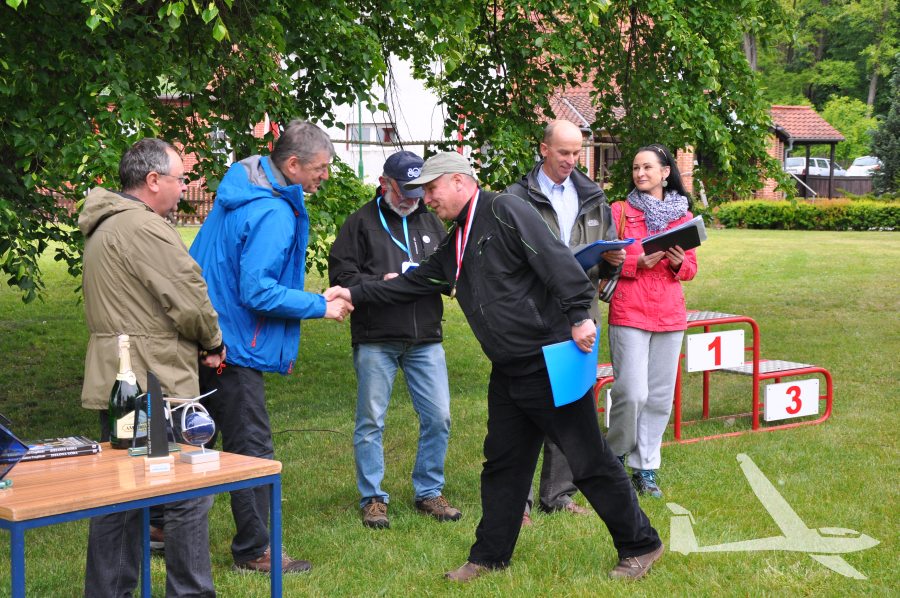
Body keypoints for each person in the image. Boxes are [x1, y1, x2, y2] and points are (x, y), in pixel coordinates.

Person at [332, 152, 664, 582]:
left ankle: (640, 544)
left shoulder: (505, 209)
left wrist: (580, 315)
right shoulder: (458, 236)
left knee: (589, 460)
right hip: (509, 368)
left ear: (458, 181)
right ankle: (489, 556)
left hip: (548, 359)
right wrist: (354, 294)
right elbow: (417, 282)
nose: (426, 199)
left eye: (431, 189)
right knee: (503, 466)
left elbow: (555, 259)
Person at [189, 120, 352, 574]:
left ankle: (161, 526)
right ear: (293, 165)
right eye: (320, 168)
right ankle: (255, 550)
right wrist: (319, 305)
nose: (324, 176)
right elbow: (257, 291)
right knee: (252, 450)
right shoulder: (274, 212)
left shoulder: (237, 193)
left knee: (193, 437)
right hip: (234, 347)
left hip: (206, 338)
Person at [79, 138, 226, 598]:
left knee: (120, 495)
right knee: (187, 492)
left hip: (117, 378)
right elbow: (189, 297)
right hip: (154, 379)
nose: (184, 188)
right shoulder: (144, 227)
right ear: (153, 179)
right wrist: (213, 341)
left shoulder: (104, 224)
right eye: (181, 179)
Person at [328, 151, 460, 529]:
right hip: (376, 336)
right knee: (371, 420)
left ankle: (429, 491)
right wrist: (381, 283)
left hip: (425, 337)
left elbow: (450, 269)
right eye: (405, 190)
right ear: (385, 183)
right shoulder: (359, 223)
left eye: (418, 190)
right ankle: (373, 498)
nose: (412, 199)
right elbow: (342, 279)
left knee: (439, 417)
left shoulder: (431, 221)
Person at [506, 119, 625, 524]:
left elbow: (606, 259)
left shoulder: (593, 196)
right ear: (544, 149)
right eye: (563, 152)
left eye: (577, 153)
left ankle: (557, 494)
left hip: (581, 314)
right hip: (532, 314)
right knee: (526, 407)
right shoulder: (515, 198)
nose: (571, 160)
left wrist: (612, 261)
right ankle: (517, 502)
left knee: (572, 401)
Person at [606, 143, 698, 498]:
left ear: (665, 172)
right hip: (629, 308)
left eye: (647, 167)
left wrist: (678, 262)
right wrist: (635, 263)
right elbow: (604, 259)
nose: (640, 173)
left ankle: (645, 468)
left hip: (669, 313)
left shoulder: (682, 216)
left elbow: (690, 269)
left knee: (659, 397)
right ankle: (614, 455)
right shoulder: (619, 211)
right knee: (631, 392)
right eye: (635, 168)